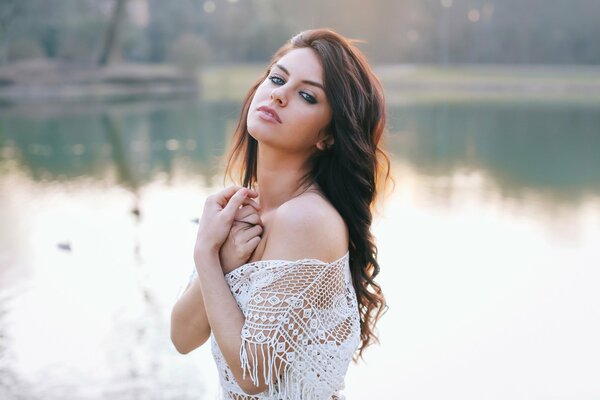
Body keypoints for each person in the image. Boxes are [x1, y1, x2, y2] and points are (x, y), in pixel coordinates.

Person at [171, 28, 390, 400]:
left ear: (328, 136)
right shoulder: (247, 210)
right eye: (277, 78)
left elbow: (254, 375)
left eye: (306, 95)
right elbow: (182, 337)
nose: (278, 94)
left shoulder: (307, 219)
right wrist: (222, 260)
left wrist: (207, 254)